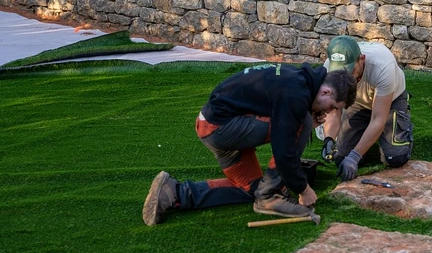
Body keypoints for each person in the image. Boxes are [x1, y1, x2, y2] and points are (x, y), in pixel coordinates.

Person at [142, 63, 357, 226]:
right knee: (301, 122)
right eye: (333, 107)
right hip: (220, 129)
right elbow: (284, 149)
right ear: (326, 92)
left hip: (217, 128)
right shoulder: (296, 92)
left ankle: (176, 192)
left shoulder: (298, 78)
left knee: (253, 191)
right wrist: (303, 188)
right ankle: (271, 195)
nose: (329, 113)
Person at [321, 35, 413, 181]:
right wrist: (329, 139)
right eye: (341, 72)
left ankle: (401, 117)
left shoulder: (383, 67)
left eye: (350, 70)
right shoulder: (330, 67)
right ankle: (364, 135)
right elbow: (334, 110)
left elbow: (378, 119)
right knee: (341, 157)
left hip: (390, 101)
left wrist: (354, 157)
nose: (346, 76)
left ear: (361, 59)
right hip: (357, 102)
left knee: (395, 157)